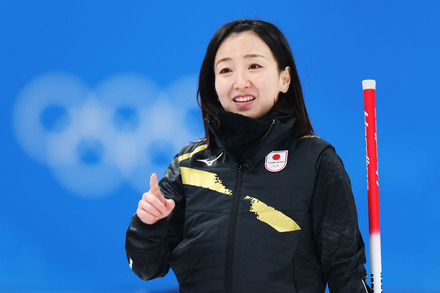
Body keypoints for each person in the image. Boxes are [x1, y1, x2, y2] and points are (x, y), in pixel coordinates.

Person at [125, 19, 372, 293]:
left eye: (254, 66)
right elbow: (147, 268)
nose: (240, 82)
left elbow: (344, 270)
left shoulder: (315, 160)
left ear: (284, 79)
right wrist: (148, 225)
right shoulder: (188, 164)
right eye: (226, 70)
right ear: (214, 84)